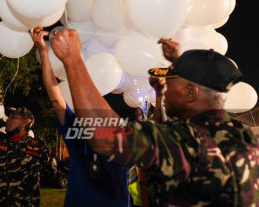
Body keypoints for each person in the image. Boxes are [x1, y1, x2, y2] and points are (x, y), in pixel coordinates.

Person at [50, 29, 259, 205]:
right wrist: (182, 63)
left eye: (171, 81)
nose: (164, 85)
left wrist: (73, 60)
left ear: (190, 93)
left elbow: (106, 137)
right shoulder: (245, 137)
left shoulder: (183, 139)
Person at [31, 27, 130, 206]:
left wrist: (160, 94)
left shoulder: (125, 138)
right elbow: (55, 97)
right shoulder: (77, 132)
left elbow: (157, 130)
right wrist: (43, 51)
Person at [0, 105, 56, 207]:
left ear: (26, 122)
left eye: (13, 117)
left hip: (25, 203)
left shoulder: (38, 145)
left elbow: (51, 173)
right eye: (8, 116)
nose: (8, 120)